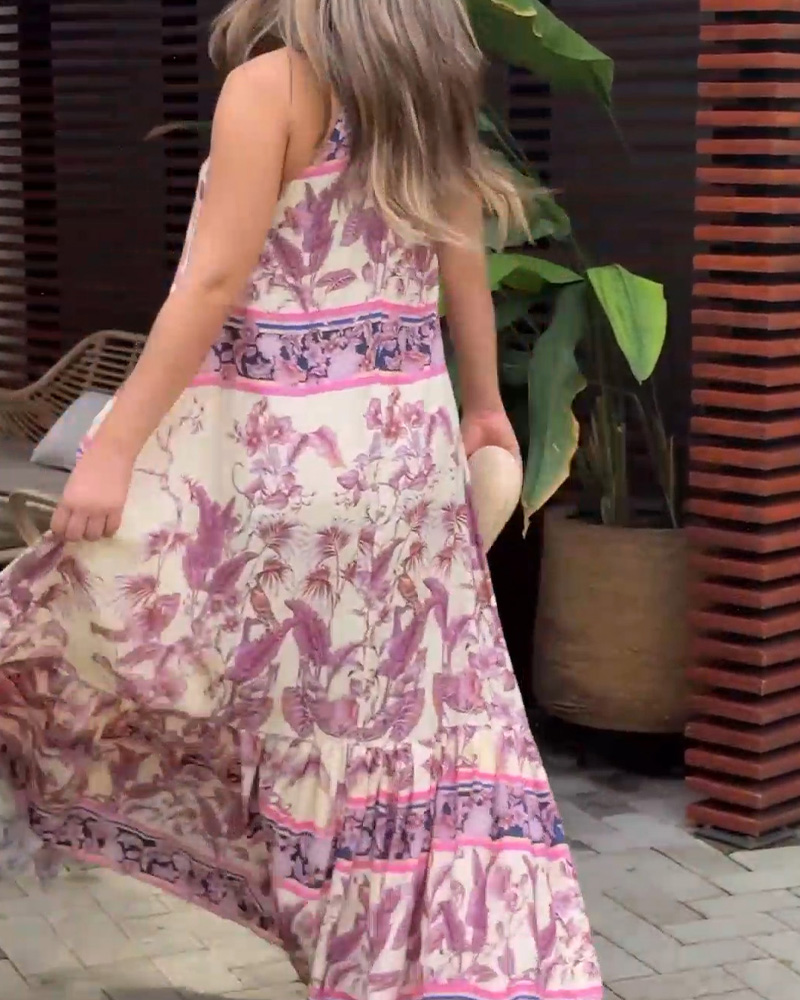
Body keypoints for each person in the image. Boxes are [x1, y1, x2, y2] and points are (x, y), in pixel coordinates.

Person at [0, 1, 601, 997]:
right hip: (409, 466)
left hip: (293, 473)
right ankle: (463, 964)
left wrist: (115, 446)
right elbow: (461, 249)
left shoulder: (270, 87)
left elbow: (211, 282)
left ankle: (362, 964)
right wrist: (486, 405)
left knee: (303, 750)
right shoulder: (425, 85)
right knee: (428, 731)